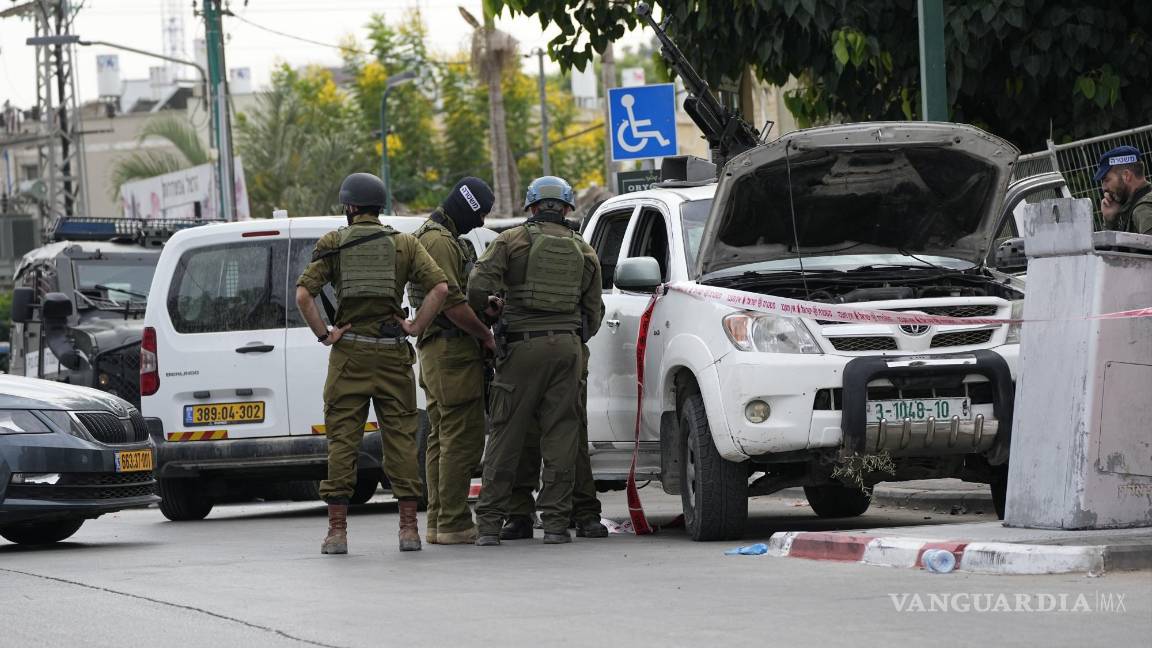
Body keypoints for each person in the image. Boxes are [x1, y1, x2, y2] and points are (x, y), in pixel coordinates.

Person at [296, 172, 450, 554]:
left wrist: (325, 334)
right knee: (400, 440)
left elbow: (303, 295)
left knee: (343, 442)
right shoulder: (404, 244)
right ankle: (409, 530)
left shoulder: (334, 242)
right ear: (379, 207)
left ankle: (337, 533)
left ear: (349, 207)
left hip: (349, 355)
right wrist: (414, 325)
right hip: (393, 355)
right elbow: (441, 287)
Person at [468, 176, 603, 545]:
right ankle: (557, 525)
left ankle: (491, 526)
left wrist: (493, 313)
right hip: (568, 350)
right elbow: (594, 313)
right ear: (566, 208)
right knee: (562, 436)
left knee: (505, 435)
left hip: (521, 349)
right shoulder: (584, 249)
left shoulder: (510, 241)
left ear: (531, 207)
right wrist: (569, 335)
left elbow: (477, 287)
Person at [409, 177, 499, 545]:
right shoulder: (439, 242)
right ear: (464, 207)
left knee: (441, 438)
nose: (479, 223)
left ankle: (438, 522)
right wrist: (485, 334)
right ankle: (453, 522)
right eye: (478, 215)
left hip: (440, 351)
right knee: (461, 438)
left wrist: (485, 309)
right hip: (451, 351)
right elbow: (451, 304)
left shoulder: (432, 235)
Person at [500, 289, 607, 540]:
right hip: (549, 352)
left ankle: (577, 511)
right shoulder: (514, 250)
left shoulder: (510, 250)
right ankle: (529, 513)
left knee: (568, 437)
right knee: (544, 435)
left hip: (545, 353)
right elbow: (594, 313)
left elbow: (594, 310)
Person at [1095, 145, 1152, 235]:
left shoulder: (1142, 210)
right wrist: (1110, 222)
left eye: (1107, 180)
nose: (1104, 187)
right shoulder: (1138, 205)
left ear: (1126, 176)